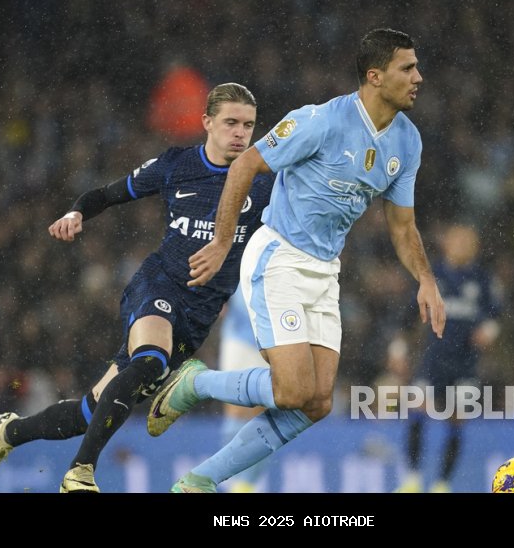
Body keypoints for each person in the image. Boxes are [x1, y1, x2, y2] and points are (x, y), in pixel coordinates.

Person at [146, 28, 447, 493]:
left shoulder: (407, 142)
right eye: (407, 68)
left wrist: (425, 280)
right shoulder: (319, 121)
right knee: (290, 390)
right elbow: (246, 165)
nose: (418, 77)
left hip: (326, 272)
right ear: (374, 76)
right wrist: (226, 242)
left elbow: (403, 226)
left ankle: (200, 481)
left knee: (317, 402)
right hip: (280, 258)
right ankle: (196, 383)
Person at [0, 82, 274, 493]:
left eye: (248, 125)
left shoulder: (264, 183)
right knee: (150, 361)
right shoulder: (176, 165)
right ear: (207, 122)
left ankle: (12, 432)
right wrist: (77, 212)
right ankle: (80, 473)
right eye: (231, 122)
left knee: (86, 413)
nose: (240, 133)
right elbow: (106, 194)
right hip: (158, 284)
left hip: (198, 318)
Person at [395, 224, 500, 493]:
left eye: (468, 241)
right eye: (457, 240)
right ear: (447, 244)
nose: (462, 245)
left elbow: (496, 315)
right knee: (417, 411)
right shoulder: (432, 277)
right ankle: (412, 479)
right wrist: (397, 349)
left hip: (466, 363)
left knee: (456, 419)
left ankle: (442, 484)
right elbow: (407, 316)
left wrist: (489, 330)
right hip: (433, 360)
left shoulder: (482, 279)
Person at [217, 287, 271, 493]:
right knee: (237, 408)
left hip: (274, 336)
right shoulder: (236, 253)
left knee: (263, 416)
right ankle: (236, 483)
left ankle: (246, 484)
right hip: (239, 333)